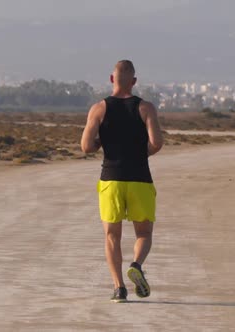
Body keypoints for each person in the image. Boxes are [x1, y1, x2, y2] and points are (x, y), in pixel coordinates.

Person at [81, 60, 163, 303]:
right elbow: (157, 142)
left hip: (111, 179)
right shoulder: (146, 108)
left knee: (111, 235)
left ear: (111, 79)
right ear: (134, 82)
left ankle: (119, 288)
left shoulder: (99, 108)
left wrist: (100, 143)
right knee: (144, 232)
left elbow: (86, 147)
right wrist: (140, 154)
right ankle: (136, 264)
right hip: (139, 178)